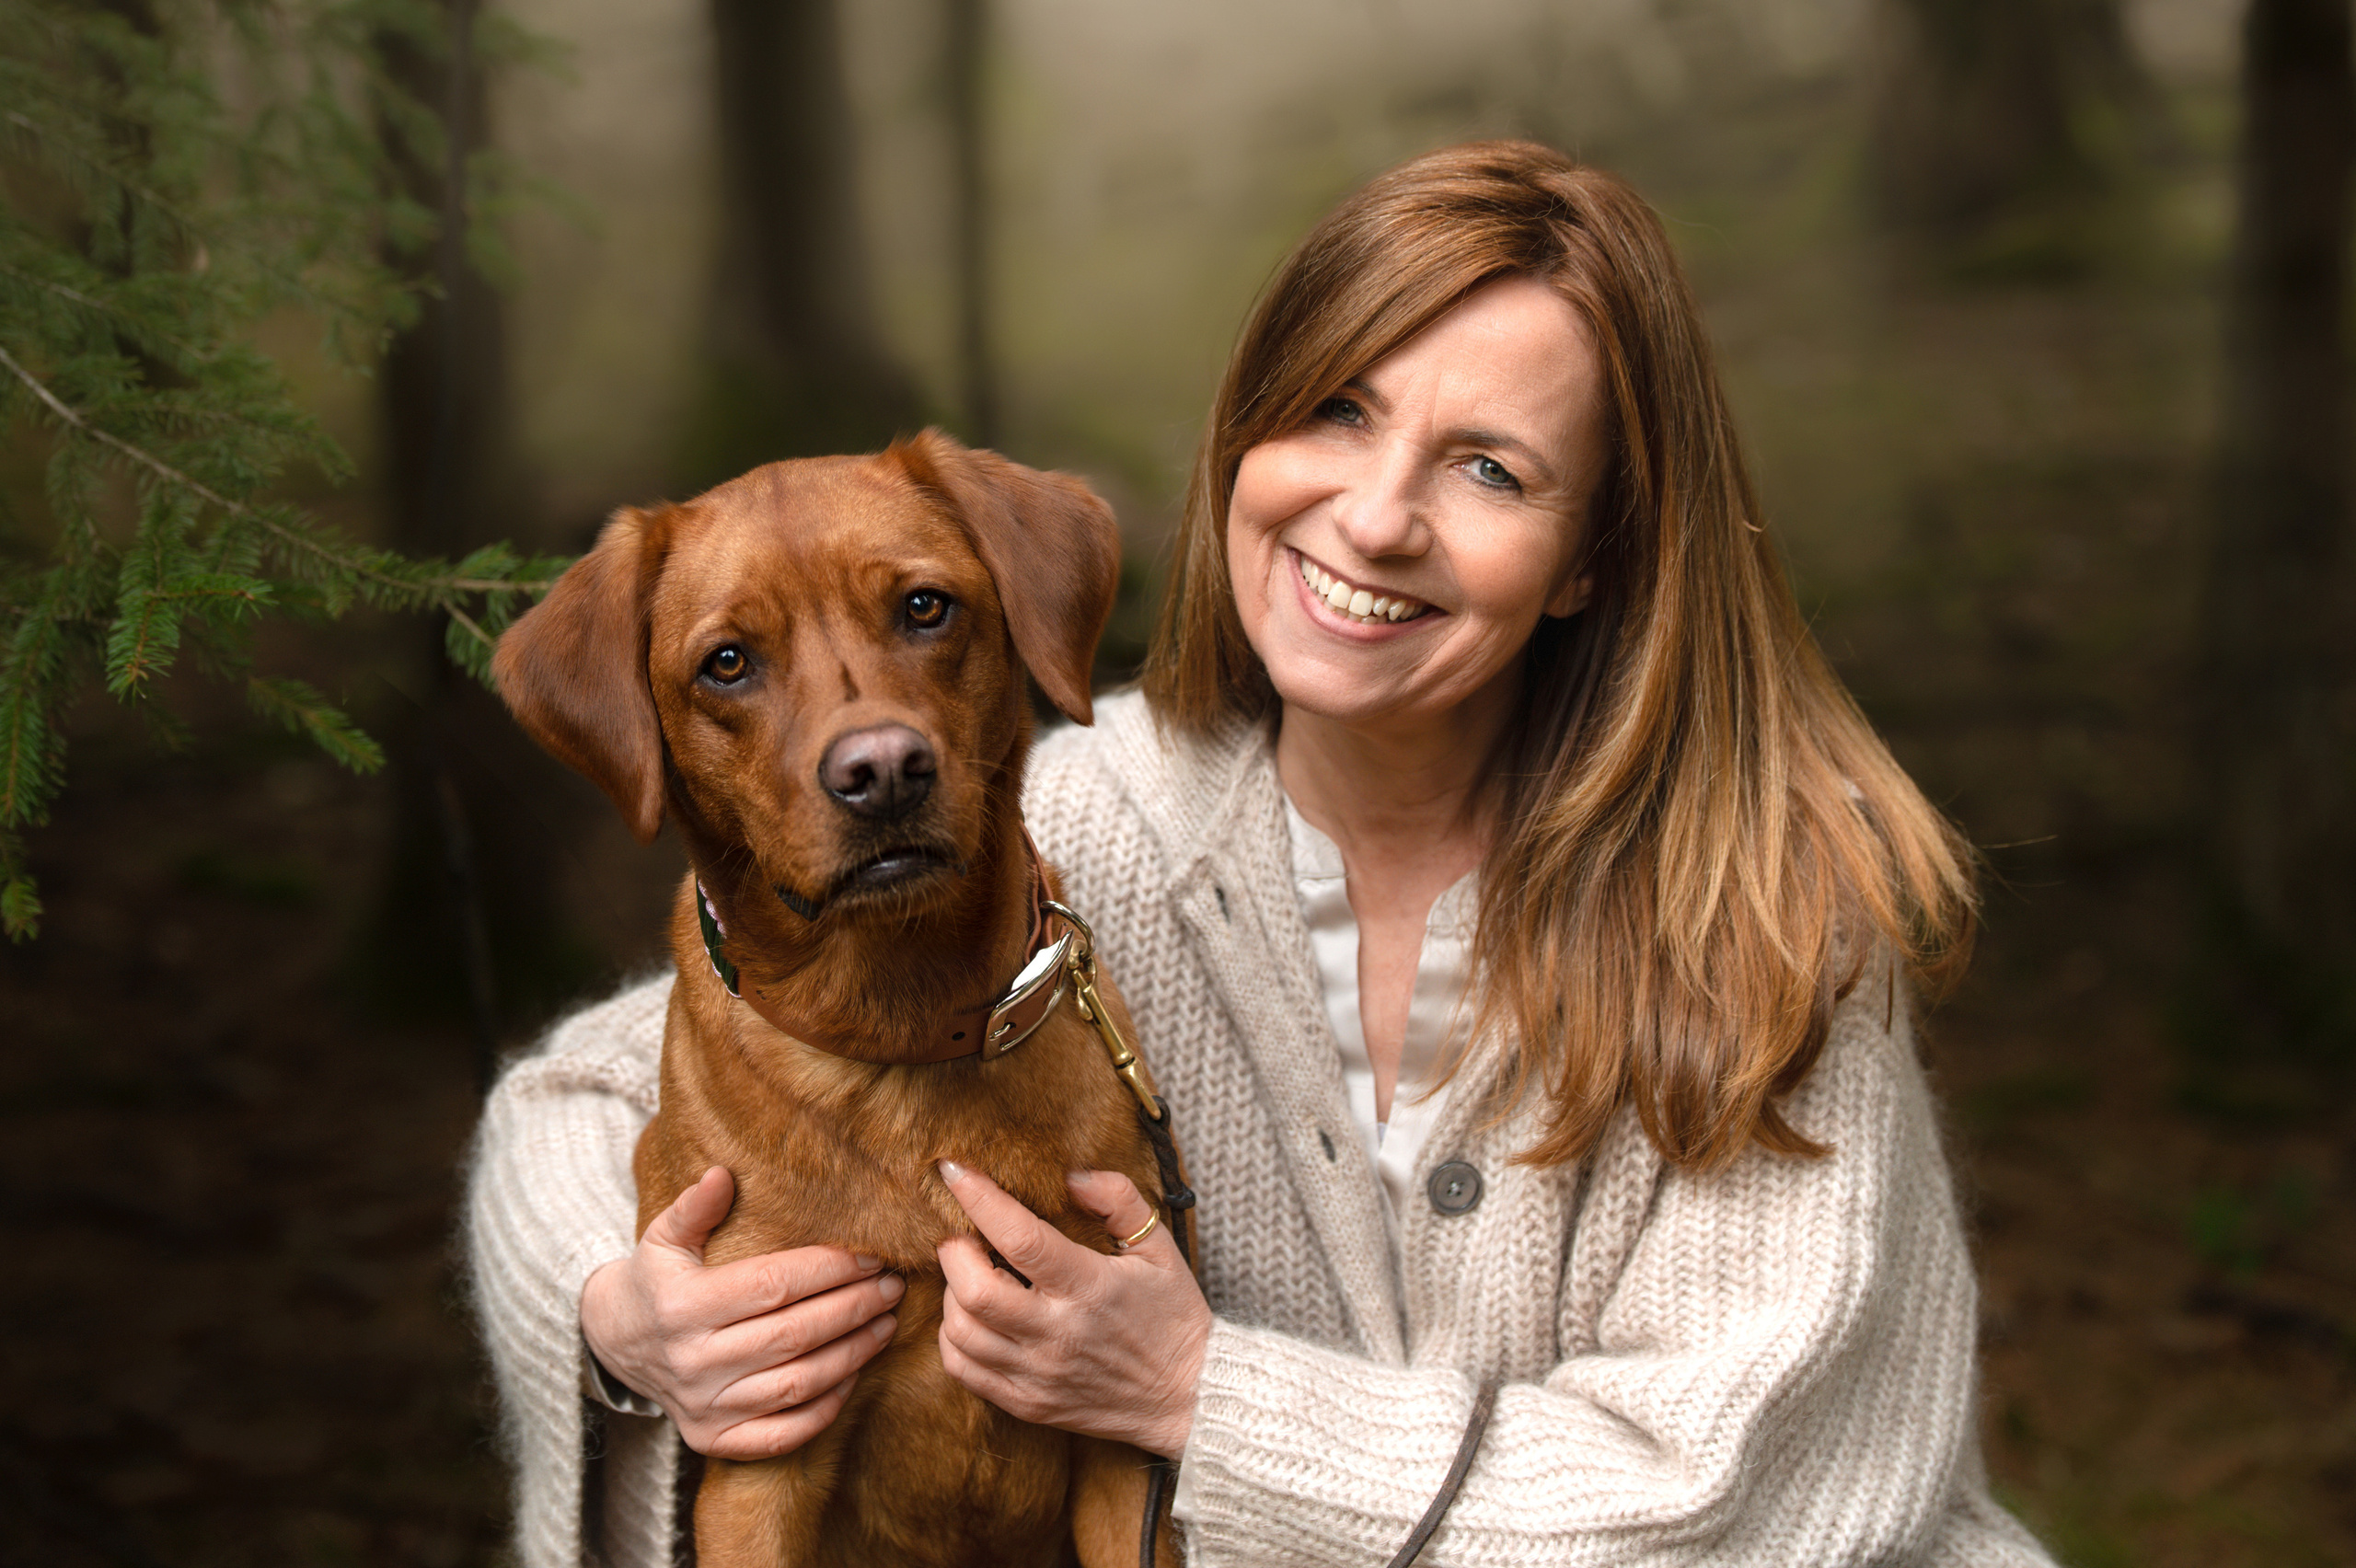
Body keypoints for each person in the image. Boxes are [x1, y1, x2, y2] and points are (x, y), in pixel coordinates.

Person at [467, 141, 2056, 1567]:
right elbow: (595, 1093)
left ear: (1591, 562)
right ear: (1245, 441)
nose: (1373, 518)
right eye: (1336, 414)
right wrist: (621, 1318)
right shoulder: (1062, 814)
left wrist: (1202, 1397)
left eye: (1489, 468)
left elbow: (1738, 1503)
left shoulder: (1760, 917)